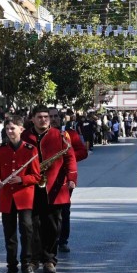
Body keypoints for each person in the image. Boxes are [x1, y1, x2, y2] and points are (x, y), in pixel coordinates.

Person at [22, 108, 77, 273]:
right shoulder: (24, 136)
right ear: (32, 119)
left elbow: (70, 158)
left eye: (46, 117)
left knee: (53, 226)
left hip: (54, 187)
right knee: (32, 226)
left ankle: (49, 259)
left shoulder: (60, 135)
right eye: (39, 117)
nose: (44, 120)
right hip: (31, 187)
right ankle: (33, 260)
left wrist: (72, 179)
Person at [0, 116, 41, 273]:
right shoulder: (1, 150)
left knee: (27, 231)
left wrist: (22, 179)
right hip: (7, 198)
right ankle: (11, 269)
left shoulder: (30, 150)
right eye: (7, 129)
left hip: (24, 197)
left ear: (21, 129)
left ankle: (27, 265)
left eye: (13, 128)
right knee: (10, 235)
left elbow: (36, 176)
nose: (9, 131)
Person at [50, 107, 87, 254]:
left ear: (60, 118)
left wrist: (64, 159)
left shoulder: (69, 134)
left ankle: (62, 240)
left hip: (64, 179)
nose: (53, 119)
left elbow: (83, 152)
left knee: (63, 211)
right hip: (45, 178)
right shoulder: (40, 135)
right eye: (50, 116)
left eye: (55, 116)